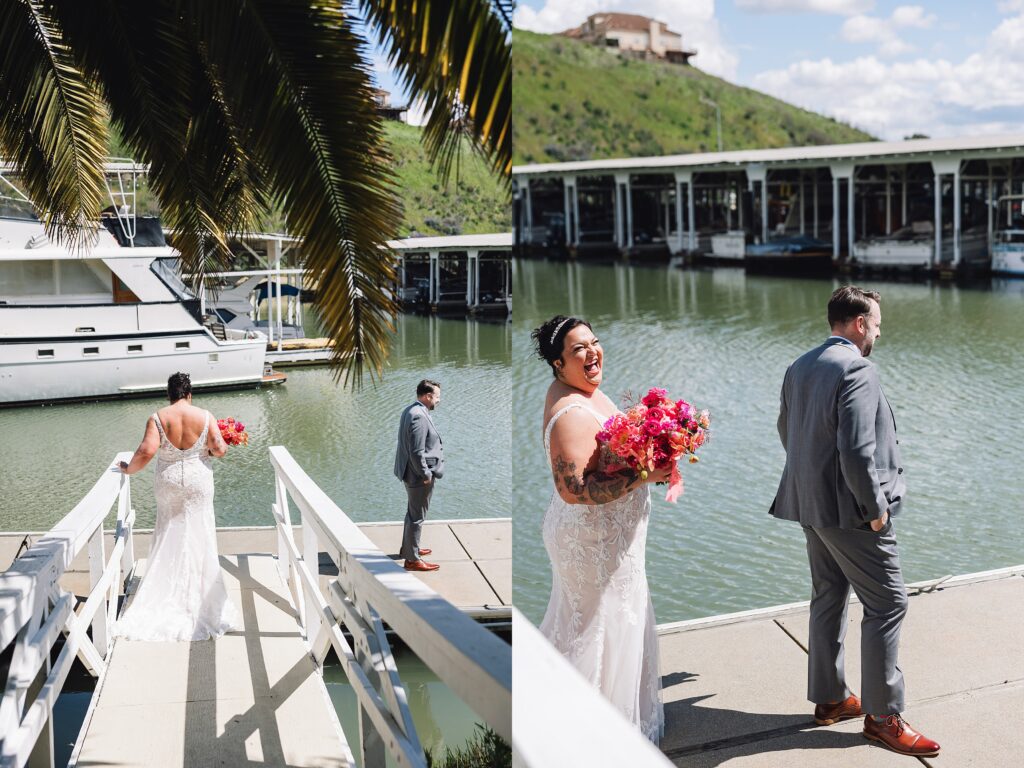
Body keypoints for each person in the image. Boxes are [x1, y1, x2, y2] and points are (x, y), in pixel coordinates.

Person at [770, 286, 940, 757]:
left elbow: (788, 431)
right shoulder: (858, 368)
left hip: (810, 504)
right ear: (860, 324)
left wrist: (816, 483)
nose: (879, 334)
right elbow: (857, 450)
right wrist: (875, 510)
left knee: (828, 596)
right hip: (852, 512)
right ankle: (883, 717)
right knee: (889, 603)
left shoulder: (799, 366)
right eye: (878, 325)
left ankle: (830, 699)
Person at [533, 315, 668, 744]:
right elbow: (574, 490)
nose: (592, 353)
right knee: (595, 627)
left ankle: (609, 713)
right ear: (558, 362)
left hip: (608, 538)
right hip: (591, 542)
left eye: (594, 343)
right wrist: (646, 476)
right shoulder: (570, 410)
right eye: (579, 350)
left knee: (605, 621)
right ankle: (585, 733)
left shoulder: (582, 389)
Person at [114, 372, 238, 641]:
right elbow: (218, 449)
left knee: (169, 532)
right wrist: (220, 446)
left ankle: (166, 594)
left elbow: (146, 452)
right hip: (198, 483)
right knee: (200, 535)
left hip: (168, 483)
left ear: (169, 394)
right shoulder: (204, 416)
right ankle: (201, 598)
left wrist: (128, 469)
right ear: (189, 394)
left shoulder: (158, 417)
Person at [394, 379, 445, 572]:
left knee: (412, 512)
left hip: (409, 472)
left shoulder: (411, 410)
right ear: (428, 396)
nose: (439, 400)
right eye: (437, 397)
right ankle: (412, 560)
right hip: (418, 476)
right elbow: (416, 451)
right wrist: (425, 474)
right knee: (417, 516)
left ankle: (408, 549)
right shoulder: (419, 416)